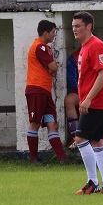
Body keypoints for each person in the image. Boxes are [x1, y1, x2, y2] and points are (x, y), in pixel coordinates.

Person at [71, 11, 103, 195]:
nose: (75, 29)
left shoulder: (96, 45)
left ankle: (92, 182)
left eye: (78, 26)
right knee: (97, 142)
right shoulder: (85, 47)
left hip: (96, 102)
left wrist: (88, 98)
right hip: (94, 102)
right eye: (73, 26)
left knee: (80, 138)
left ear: (89, 26)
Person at [24, 20, 67, 164]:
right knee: (35, 123)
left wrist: (50, 69)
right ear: (45, 33)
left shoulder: (44, 47)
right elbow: (53, 67)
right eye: (53, 32)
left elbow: (51, 68)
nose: (54, 35)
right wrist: (50, 69)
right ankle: (33, 158)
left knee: (52, 123)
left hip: (44, 90)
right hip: (37, 89)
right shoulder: (40, 47)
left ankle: (63, 159)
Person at [65, 49, 103, 146]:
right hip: (81, 92)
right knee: (69, 100)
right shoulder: (75, 57)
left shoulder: (101, 53)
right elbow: (71, 79)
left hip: (100, 91)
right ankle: (75, 139)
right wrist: (85, 91)